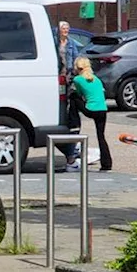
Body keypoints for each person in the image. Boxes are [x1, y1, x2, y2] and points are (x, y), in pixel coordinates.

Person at [71, 57, 112, 172]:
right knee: (101, 136)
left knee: (74, 97)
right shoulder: (96, 79)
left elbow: (79, 94)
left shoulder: (78, 79)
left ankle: (73, 122)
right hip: (103, 110)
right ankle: (107, 163)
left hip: (91, 110)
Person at [57, 21, 83, 168]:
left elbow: (75, 59)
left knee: (70, 104)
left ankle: (73, 144)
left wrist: (73, 73)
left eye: (67, 28)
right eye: (63, 28)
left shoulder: (71, 43)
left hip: (67, 77)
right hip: (58, 76)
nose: (66, 31)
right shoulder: (56, 42)